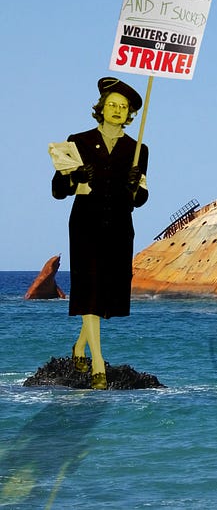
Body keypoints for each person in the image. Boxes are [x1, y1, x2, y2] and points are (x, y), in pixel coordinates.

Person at [52, 77, 149, 389]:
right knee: (89, 290)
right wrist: (77, 176)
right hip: (86, 224)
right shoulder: (77, 141)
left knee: (105, 293)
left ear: (130, 113)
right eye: (113, 105)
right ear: (101, 109)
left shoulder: (138, 149)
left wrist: (136, 184)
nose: (118, 110)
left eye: (124, 107)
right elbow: (58, 190)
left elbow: (140, 199)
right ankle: (98, 366)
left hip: (121, 225)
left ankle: (79, 347)